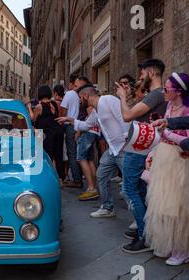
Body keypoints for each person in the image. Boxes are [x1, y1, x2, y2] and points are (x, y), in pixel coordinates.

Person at [116, 59, 168, 254]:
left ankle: (145, 237)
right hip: (144, 146)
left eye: (142, 73)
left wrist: (122, 97)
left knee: (129, 189)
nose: (139, 77)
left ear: (152, 72)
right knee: (140, 189)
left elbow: (127, 116)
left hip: (139, 147)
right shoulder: (158, 94)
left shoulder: (156, 94)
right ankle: (145, 228)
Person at [58, 85, 130, 218]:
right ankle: (108, 207)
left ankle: (139, 221)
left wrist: (127, 138)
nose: (79, 101)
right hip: (112, 150)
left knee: (129, 186)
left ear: (86, 96)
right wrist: (70, 120)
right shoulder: (96, 111)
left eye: (80, 98)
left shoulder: (108, 100)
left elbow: (124, 118)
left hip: (123, 148)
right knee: (101, 175)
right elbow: (86, 125)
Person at [143, 73, 189, 266]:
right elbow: (164, 133)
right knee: (162, 205)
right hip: (164, 158)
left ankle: (182, 249)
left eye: (167, 88)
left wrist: (168, 132)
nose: (164, 91)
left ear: (178, 91)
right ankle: (168, 243)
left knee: (179, 207)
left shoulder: (187, 109)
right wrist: (152, 153)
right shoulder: (169, 106)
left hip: (179, 162)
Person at [26, 85, 65, 182]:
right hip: (57, 131)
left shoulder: (39, 106)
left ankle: (47, 177)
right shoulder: (54, 104)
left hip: (46, 133)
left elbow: (33, 118)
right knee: (58, 156)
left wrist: (29, 108)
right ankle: (61, 178)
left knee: (47, 157)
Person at [60, 74, 83, 188]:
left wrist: (61, 121)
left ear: (71, 83)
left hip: (69, 125)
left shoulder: (69, 94)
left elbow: (63, 109)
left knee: (72, 154)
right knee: (77, 154)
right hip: (78, 126)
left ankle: (77, 180)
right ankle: (78, 178)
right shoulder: (79, 96)